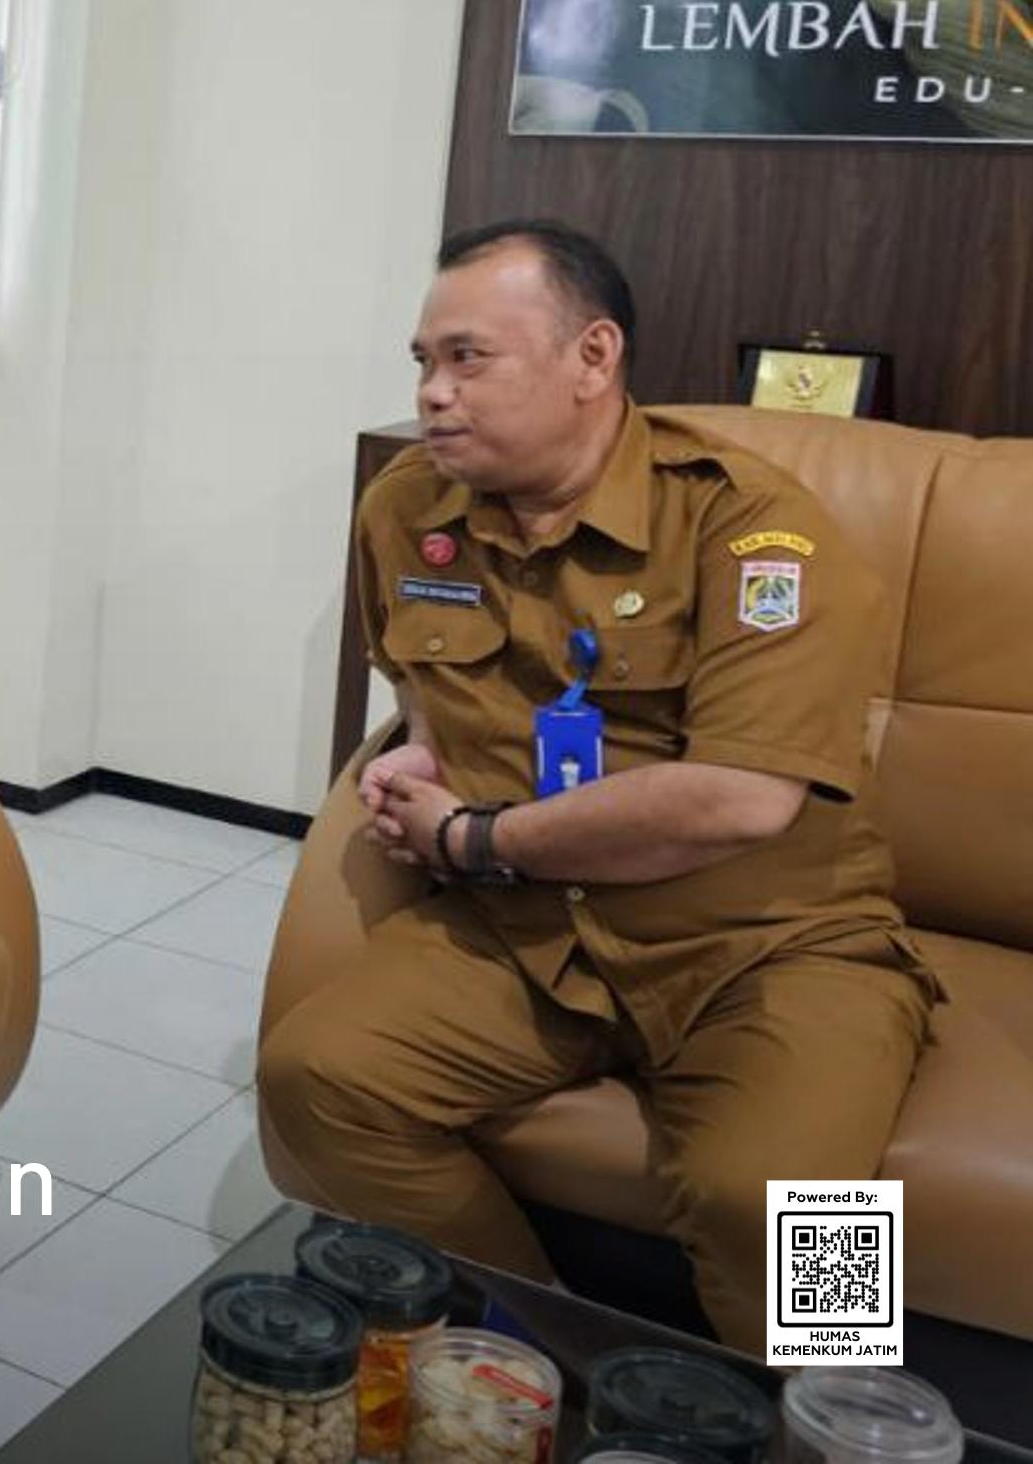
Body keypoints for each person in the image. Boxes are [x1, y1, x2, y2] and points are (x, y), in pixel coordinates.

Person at [258, 219, 939, 1356]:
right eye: (423, 362)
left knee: (800, 1221)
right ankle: (550, 1363)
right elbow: (416, 681)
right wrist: (419, 750)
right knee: (316, 1076)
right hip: (525, 933)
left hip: (765, 943)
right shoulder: (405, 509)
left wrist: (475, 837)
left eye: (468, 358)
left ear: (592, 357)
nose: (432, 393)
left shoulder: (752, 526)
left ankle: (834, 1420)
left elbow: (744, 797)